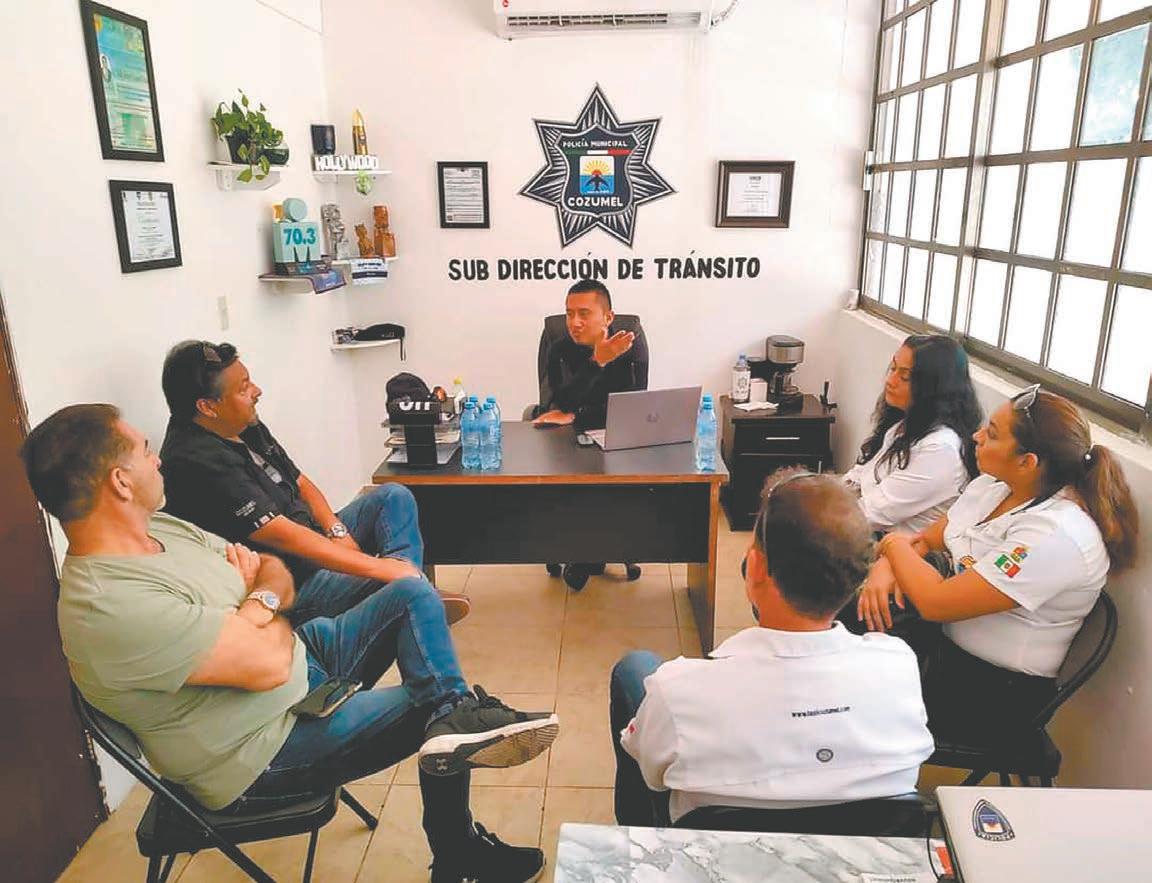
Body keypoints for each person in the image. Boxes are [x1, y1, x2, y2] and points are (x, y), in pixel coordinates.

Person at [23, 404, 559, 883]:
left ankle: (454, 717)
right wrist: (259, 603)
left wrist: (253, 609)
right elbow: (266, 664)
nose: (158, 458)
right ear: (120, 482)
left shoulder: (164, 530)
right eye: (145, 450)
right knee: (433, 711)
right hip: (261, 751)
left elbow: (272, 570)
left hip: (303, 665)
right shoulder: (109, 605)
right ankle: (458, 845)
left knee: (412, 594)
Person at [609, 470, 933, 826]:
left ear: (755, 568)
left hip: (714, 852)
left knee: (634, 669)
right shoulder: (899, 666)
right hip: (859, 853)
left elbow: (653, 777)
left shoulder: (676, 691)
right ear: (858, 578)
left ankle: (633, 840)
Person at [857, 385, 1139, 745]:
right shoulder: (994, 488)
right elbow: (926, 540)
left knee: (851, 690)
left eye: (991, 434)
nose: (976, 436)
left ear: (1027, 462)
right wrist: (885, 567)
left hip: (993, 693)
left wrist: (892, 544)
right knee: (840, 631)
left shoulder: (1056, 535)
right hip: (942, 651)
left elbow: (935, 602)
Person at [158, 340, 468, 626]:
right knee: (394, 586)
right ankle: (417, 594)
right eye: (243, 388)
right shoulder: (194, 461)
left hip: (312, 541)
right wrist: (379, 568)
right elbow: (284, 537)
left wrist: (336, 529)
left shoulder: (238, 422)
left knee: (393, 497)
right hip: (294, 582)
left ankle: (416, 591)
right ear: (208, 406)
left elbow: (299, 480)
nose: (257, 391)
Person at [532, 280, 646, 591]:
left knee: (610, 480)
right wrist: (597, 362)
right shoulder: (559, 349)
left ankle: (587, 553)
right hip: (568, 439)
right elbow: (561, 401)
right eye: (569, 314)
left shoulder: (629, 346)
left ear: (608, 317)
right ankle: (589, 551)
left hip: (615, 438)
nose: (574, 322)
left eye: (584, 313)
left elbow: (629, 406)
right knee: (578, 479)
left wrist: (578, 411)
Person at [843, 334, 982, 536]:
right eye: (893, 369)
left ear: (934, 387)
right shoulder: (903, 427)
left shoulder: (940, 449)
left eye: (905, 377)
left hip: (889, 544)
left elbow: (872, 514)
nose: (890, 381)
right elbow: (859, 477)